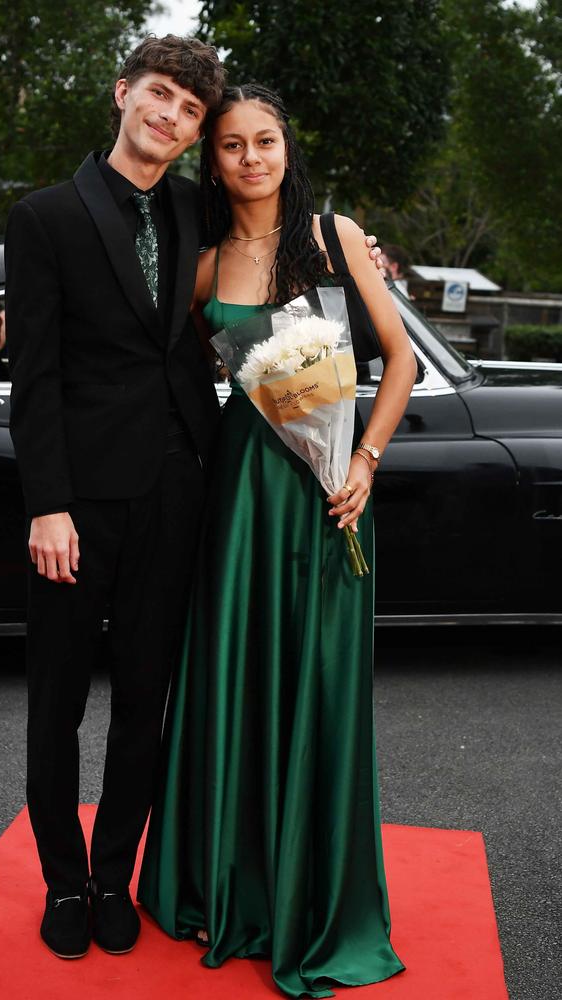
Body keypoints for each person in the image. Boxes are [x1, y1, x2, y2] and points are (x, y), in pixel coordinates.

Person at [5, 35, 382, 964]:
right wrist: (47, 504)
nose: (171, 118)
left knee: (147, 702)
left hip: (183, 495)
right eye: (161, 97)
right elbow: (36, 378)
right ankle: (62, 882)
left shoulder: (195, 214)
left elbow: (278, 261)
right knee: (57, 703)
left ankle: (114, 879)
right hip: (79, 507)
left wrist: (361, 250)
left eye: (188, 111)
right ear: (124, 93)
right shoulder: (44, 216)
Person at [138, 84, 416, 999]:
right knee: (235, 680)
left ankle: (313, 899)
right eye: (229, 145)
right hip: (240, 499)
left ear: (287, 149)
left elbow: (399, 354)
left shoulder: (336, 239)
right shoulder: (205, 266)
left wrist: (366, 462)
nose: (251, 157)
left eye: (265, 141)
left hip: (330, 492)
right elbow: (169, 373)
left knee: (318, 690)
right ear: (209, 161)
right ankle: (231, 887)